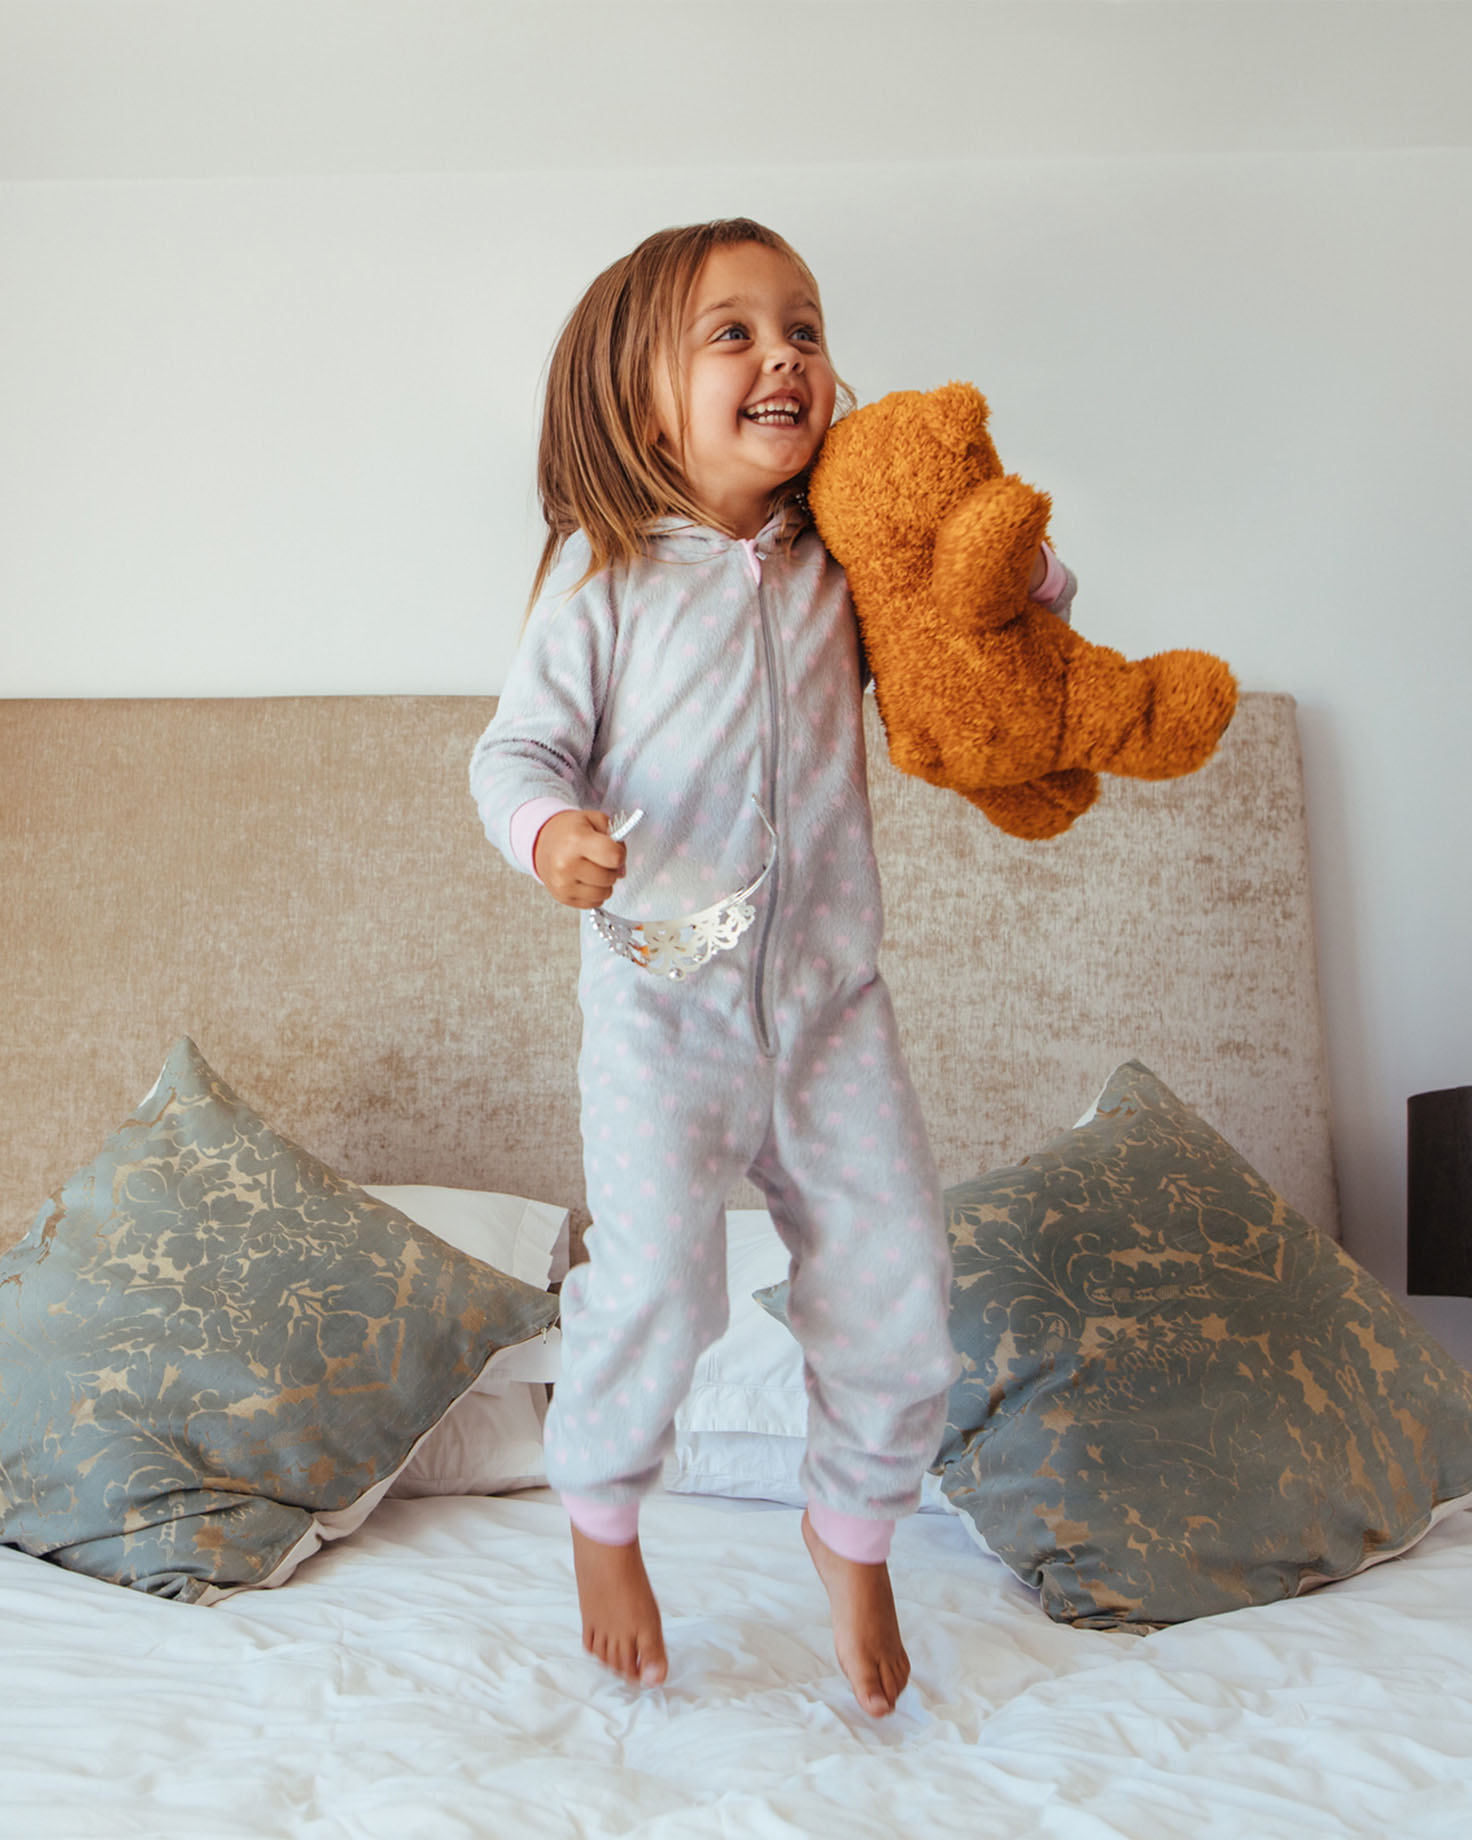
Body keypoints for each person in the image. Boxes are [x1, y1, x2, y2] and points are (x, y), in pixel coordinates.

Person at [469, 218, 1075, 1717]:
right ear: (637, 397)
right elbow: (514, 751)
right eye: (730, 332)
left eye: (800, 325)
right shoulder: (603, 582)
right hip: (662, 1005)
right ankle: (604, 1507)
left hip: (831, 1007)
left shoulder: (839, 565)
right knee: (663, 1282)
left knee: (898, 1282)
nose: (784, 354)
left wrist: (1004, 572)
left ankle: (852, 1525)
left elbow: (994, 612)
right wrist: (554, 837)